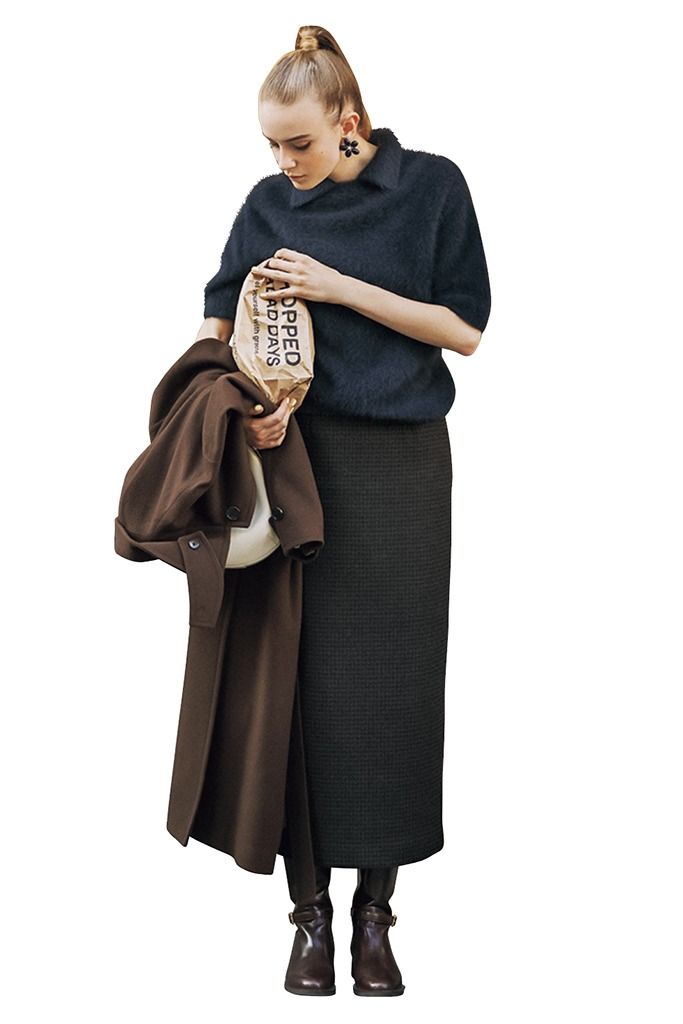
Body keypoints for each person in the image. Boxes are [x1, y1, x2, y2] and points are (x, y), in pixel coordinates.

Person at [199, 24, 491, 997]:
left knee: (391, 697)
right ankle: (309, 918)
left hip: (401, 467)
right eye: (271, 146)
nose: (285, 164)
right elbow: (217, 324)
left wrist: (337, 287)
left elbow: (464, 329)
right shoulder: (264, 204)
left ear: (349, 121)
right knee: (298, 692)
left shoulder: (430, 189)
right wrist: (243, 406)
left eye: (301, 144)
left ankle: (375, 917)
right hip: (296, 467)